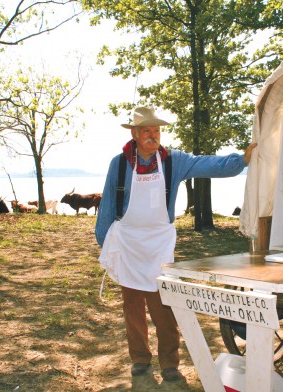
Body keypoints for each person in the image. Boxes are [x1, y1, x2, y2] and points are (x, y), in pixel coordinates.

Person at [95, 106, 257, 382]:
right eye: (146, 130)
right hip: (129, 243)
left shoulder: (173, 161)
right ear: (134, 134)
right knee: (132, 307)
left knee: (163, 305)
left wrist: (241, 160)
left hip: (159, 244)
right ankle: (140, 359)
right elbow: (108, 203)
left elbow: (208, 164)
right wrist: (105, 242)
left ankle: (169, 362)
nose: (152, 135)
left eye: (156, 130)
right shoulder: (119, 163)